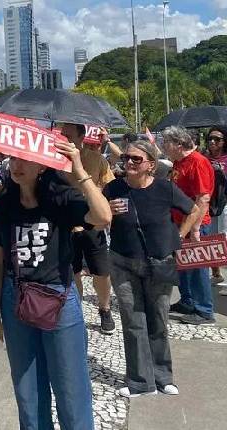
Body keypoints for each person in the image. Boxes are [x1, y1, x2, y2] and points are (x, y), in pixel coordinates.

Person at [0, 142, 112, 429]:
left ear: (43, 164)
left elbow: (103, 216)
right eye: (14, 158)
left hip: (58, 298)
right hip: (15, 296)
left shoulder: (60, 198)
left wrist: (79, 170)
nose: (17, 165)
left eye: (26, 159)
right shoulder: (5, 203)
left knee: (70, 387)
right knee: (28, 389)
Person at [104, 141, 201, 398]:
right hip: (122, 261)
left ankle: (163, 376)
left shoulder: (164, 188)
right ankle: (139, 382)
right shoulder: (114, 187)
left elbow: (194, 209)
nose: (130, 163)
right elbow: (95, 216)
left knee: (157, 319)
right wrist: (106, 212)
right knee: (132, 321)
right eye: (127, 158)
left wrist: (178, 237)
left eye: (137, 159)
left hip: (159, 262)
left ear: (151, 165)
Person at [61, 123, 116, 334]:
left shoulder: (97, 159)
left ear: (81, 136)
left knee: (101, 272)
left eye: (68, 135)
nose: (64, 138)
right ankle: (77, 308)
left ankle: (105, 308)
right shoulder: (54, 161)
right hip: (67, 225)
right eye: (62, 134)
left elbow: (108, 186)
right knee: (73, 271)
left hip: (93, 223)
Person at [163, 126, 217, 325]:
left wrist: (195, 228)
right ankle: (187, 300)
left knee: (197, 267)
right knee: (183, 266)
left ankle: (204, 310)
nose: (163, 146)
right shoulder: (179, 162)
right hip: (179, 221)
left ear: (178, 144)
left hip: (195, 223)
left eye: (166, 142)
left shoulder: (198, 162)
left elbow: (203, 198)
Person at [204, 125, 227, 286]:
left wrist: (222, 173)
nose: (212, 142)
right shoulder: (203, 158)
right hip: (208, 204)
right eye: (210, 139)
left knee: (224, 239)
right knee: (212, 240)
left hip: (224, 204)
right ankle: (216, 273)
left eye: (217, 139)